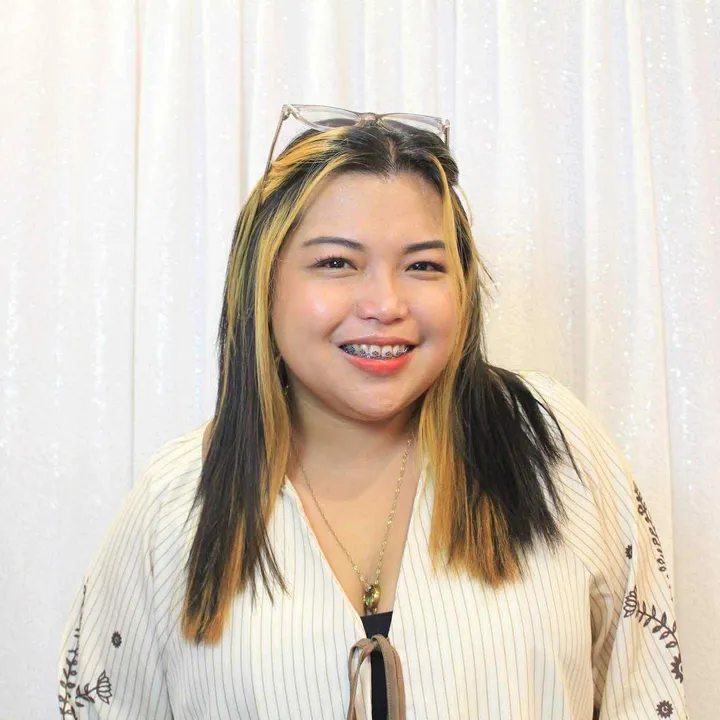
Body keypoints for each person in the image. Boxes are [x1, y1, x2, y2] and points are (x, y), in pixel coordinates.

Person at [58, 104, 688, 720]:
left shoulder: (553, 446)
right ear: (264, 282)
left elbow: (644, 690)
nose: (386, 304)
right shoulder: (175, 502)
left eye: (423, 265)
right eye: (337, 263)